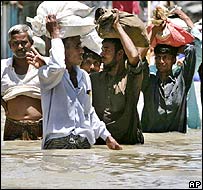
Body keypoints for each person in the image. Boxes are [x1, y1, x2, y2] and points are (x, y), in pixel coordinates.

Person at [26, 14, 122, 150]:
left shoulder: (84, 76)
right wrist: (55, 35)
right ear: (63, 49)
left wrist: (107, 137)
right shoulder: (47, 74)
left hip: (83, 141)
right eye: (77, 46)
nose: (82, 51)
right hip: (57, 142)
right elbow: (58, 65)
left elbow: (88, 112)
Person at [90, 9, 146, 145]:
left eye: (106, 50)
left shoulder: (131, 79)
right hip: (101, 145)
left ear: (120, 54)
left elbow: (134, 57)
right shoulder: (94, 79)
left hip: (128, 145)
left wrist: (118, 27)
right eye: (102, 50)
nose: (102, 54)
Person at [141, 36, 196, 132]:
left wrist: (174, 46)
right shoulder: (148, 82)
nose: (161, 61)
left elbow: (191, 50)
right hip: (152, 142)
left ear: (174, 60)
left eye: (165, 57)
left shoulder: (182, 81)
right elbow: (140, 61)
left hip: (176, 143)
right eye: (158, 57)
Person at [1, 24, 43, 141]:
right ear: (10, 46)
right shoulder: (3, 67)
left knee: (40, 159)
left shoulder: (43, 66)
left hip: (39, 126)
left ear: (31, 43)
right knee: (12, 158)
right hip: (12, 126)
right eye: (15, 43)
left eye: (24, 42)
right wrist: (5, 106)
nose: (20, 47)